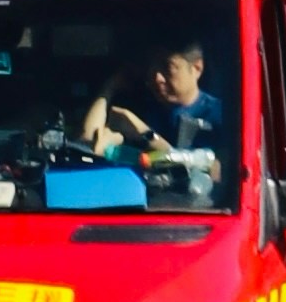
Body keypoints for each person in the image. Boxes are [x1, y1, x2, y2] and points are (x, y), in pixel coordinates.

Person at [97, 33, 231, 192]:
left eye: (168, 68)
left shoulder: (221, 115)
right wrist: (109, 88)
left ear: (197, 68)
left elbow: (216, 175)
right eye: (152, 68)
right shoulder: (141, 107)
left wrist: (144, 133)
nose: (157, 77)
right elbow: (89, 144)